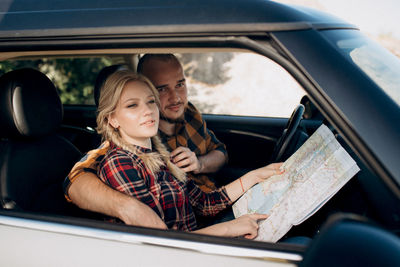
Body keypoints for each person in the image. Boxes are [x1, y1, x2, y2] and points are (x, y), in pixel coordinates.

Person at [96, 69, 283, 237]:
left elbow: (204, 203)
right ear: (112, 119)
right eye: (132, 105)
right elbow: (158, 242)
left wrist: (254, 176)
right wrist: (229, 229)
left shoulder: (160, 157)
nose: (147, 111)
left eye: (151, 101)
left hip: (193, 247)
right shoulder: (118, 163)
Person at [63, 54, 229, 228]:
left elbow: (221, 152)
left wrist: (199, 164)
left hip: (213, 203)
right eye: (162, 89)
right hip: (195, 224)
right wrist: (129, 207)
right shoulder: (130, 140)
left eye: (180, 84)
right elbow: (74, 182)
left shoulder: (189, 113)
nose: (176, 98)